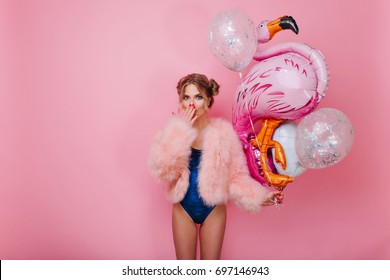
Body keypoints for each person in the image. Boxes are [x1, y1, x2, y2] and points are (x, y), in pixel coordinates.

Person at [148, 73, 282, 260]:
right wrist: (181, 130)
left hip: (213, 210)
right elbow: (162, 170)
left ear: (208, 100)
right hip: (183, 208)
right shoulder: (173, 131)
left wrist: (260, 196)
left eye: (198, 97)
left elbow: (236, 176)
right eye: (186, 97)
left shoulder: (224, 133)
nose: (191, 103)